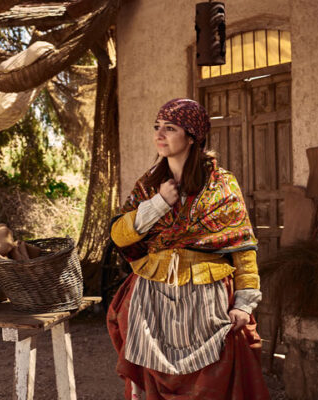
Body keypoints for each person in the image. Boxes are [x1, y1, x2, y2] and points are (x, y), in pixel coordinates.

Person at [107, 98, 270, 400]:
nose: (159, 134)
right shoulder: (149, 185)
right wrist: (157, 205)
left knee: (211, 384)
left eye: (170, 128)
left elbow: (243, 250)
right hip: (152, 299)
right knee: (151, 376)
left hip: (206, 300)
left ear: (192, 136)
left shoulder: (222, 185)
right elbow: (119, 234)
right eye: (157, 127)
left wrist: (244, 303)